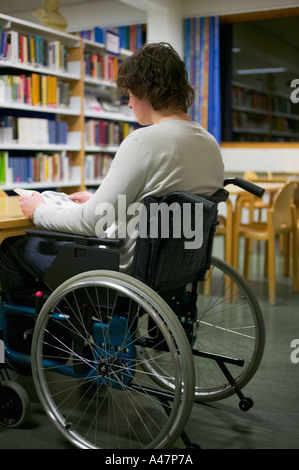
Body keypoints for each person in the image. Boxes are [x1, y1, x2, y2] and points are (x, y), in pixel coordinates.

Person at [0, 42, 224, 292]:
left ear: (145, 92)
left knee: (11, 249)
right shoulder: (209, 142)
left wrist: (38, 211)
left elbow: (88, 223)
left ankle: (43, 330)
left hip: (120, 268)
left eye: (130, 95)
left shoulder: (144, 141)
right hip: (174, 268)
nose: (129, 105)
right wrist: (100, 201)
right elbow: (162, 207)